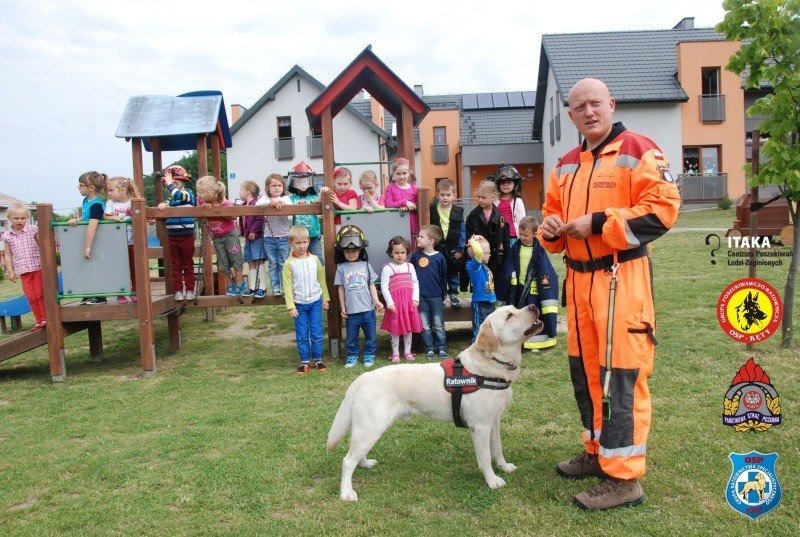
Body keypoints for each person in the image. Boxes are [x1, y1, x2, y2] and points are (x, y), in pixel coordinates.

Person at [539, 78, 680, 511]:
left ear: (611, 104)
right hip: (579, 283)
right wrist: (549, 233)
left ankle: (624, 479)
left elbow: (663, 210)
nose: (588, 111)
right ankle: (598, 451)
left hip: (623, 279)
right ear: (571, 115)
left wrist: (599, 222)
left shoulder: (639, 150)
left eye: (595, 103)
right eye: (579, 106)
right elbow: (553, 216)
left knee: (622, 377)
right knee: (586, 373)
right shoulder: (565, 164)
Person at [497, 216, 558, 351]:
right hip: (517, 290)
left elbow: (546, 271)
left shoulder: (539, 251)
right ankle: (518, 340)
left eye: (526, 235)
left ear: (535, 234)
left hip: (533, 291)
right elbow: (508, 267)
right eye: (521, 234)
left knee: (531, 317)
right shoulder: (515, 248)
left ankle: (534, 343)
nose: (522, 237)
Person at [334, 225, 384, 368]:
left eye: (354, 251)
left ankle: (369, 355)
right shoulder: (341, 268)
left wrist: (376, 301)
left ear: (360, 250)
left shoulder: (366, 266)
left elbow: (371, 285)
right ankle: (352, 356)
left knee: (371, 335)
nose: (351, 254)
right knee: (351, 337)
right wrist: (342, 307)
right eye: (348, 251)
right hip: (352, 311)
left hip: (368, 310)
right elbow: (341, 289)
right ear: (342, 252)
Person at [283, 225, 330, 375]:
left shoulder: (315, 259)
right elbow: (287, 286)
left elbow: (321, 279)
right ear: (291, 244)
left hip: (315, 301)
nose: (302, 246)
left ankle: (318, 359)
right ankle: (304, 361)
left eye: (304, 242)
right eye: (297, 243)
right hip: (299, 304)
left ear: (309, 241)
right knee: (302, 334)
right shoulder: (289, 264)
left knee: (316, 331)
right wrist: (291, 306)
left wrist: (325, 298)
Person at [196, 176, 245, 297]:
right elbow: (199, 213)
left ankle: (239, 284)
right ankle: (230, 285)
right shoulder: (201, 200)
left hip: (230, 233)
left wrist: (219, 210)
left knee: (235, 257)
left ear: (211, 193)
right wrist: (203, 208)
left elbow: (234, 216)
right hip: (217, 236)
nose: (199, 195)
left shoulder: (224, 201)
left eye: (202, 192)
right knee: (223, 262)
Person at [2, 203, 46, 330]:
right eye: (16, 218)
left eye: (23, 218)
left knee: (40, 294)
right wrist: (10, 271)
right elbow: (8, 255)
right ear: (10, 218)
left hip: (37, 267)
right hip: (23, 271)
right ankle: (39, 320)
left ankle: (45, 318)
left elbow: (42, 245)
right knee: (31, 297)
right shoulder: (7, 236)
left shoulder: (33, 229)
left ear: (27, 218)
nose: (20, 221)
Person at [68, 170, 108, 304]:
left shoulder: (98, 203)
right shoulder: (86, 200)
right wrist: (77, 220)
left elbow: (93, 224)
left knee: (97, 267)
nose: (78, 187)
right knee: (88, 267)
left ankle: (100, 296)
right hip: (89, 238)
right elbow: (87, 217)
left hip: (97, 240)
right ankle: (89, 293)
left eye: (81, 185)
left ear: (91, 188)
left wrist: (87, 246)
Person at [157, 165, 196, 301]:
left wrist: (169, 184)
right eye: (170, 183)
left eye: (174, 183)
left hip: (187, 235)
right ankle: (178, 290)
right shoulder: (172, 199)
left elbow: (179, 195)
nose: (171, 185)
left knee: (188, 264)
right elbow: (167, 203)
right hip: (173, 236)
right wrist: (163, 205)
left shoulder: (188, 194)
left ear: (182, 181)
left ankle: (190, 290)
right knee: (176, 265)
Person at [380, 236, 421, 362]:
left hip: (408, 303)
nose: (399, 255)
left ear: (406, 252)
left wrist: (415, 298)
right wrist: (390, 303)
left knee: (408, 328)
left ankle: (407, 351)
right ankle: (395, 353)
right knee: (395, 328)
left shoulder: (410, 267)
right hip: (395, 304)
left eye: (402, 252)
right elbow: (384, 287)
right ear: (391, 252)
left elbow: (415, 283)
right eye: (396, 252)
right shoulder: (388, 268)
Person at [410, 224, 449, 359]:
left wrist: (443, 294)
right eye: (418, 236)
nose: (418, 239)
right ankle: (430, 349)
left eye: (421, 236)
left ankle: (442, 348)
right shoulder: (415, 257)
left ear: (431, 241)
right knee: (425, 325)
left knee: (438, 324)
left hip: (436, 297)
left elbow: (444, 278)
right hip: (421, 298)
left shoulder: (440, 257)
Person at [429, 178, 465, 309]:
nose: (445, 198)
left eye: (448, 195)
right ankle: (442, 295)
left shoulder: (458, 211)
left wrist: (460, 249)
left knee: (454, 271)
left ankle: (454, 294)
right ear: (437, 194)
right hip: (438, 246)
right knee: (440, 272)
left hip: (453, 247)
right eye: (442, 195)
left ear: (454, 196)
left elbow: (462, 230)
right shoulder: (432, 209)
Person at [104, 176, 140, 303]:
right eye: (108, 190)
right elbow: (106, 216)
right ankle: (121, 293)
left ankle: (135, 291)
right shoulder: (110, 204)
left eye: (111, 190)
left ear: (122, 190)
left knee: (134, 268)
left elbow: (140, 214)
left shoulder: (133, 202)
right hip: (118, 242)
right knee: (120, 268)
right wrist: (115, 218)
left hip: (132, 241)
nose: (108, 193)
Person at [465, 180, 509, 285]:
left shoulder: (500, 216)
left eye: (483, 197)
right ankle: (479, 299)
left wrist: (504, 253)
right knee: (479, 277)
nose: (480, 200)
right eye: (479, 197)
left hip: (494, 254)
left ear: (493, 197)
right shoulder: (473, 215)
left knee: (494, 277)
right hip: (479, 252)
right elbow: (468, 231)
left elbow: (504, 237)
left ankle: (493, 299)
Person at [258, 173, 292, 296]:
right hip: (269, 238)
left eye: (279, 185)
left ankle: (285, 288)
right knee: (273, 264)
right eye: (273, 186)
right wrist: (271, 202)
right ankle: (276, 288)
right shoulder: (264, 199)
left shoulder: (286, 199)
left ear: (283, 187)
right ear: (267, 188)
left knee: (283, 263)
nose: (277, 188)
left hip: (284, 237)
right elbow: (257, 205)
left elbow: (290, 206)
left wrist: (279, 200)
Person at [287, 161, 323, 262]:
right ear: (293, 182)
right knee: (300, 260)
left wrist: (320, 197)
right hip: (298, 238)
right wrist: (296, 204)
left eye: (305, 180)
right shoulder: (291, 199)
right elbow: (288, 212)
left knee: (318, 259)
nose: (302, 183)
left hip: (314, 235)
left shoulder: (315, 197)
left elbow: (322, 204)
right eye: (299, 181)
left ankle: (319, 278)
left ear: (310, 181)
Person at [239, 180, 267, 298]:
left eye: (241, 190)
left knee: (259, 260)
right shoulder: (243, 205)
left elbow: (260, 219)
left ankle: (263, 287)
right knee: (250, 262)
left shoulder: (256, 203)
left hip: (256, 237)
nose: (239, 193)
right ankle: (252, 287)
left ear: (247, 191)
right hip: (247, 238)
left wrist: (254, 231)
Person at [464, 235, 495, 342]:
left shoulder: (484, 266)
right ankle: (476, 345)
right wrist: (472, 241)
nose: (490, 255)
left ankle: (486, 344)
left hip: (490, 301)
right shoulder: (473, 266)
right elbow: (479, 253)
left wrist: (480, 238)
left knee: (489, 326)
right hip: (480, 303)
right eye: (488, 253)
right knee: (479, 328)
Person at [384, 158, 419, 245]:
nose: (402, 176)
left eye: (404, 173)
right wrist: (405, 202)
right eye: (398, 174)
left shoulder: (414, 188)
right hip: (396, 224)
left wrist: (408, 207)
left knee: (412, 248)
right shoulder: (390, 188)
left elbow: (419, 205)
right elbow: (388, 204)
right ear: (394, 174)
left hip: (412, 225)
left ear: (409, 172)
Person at [492, 164, 527, 245]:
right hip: (499, 237)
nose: (505, 185)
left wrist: (523, 236)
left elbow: (522, 220)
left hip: (513, 237)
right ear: (498, 185)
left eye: (509, 182)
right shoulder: (495, 201)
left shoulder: (518, 201)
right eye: (502, 183)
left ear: (515, 184)